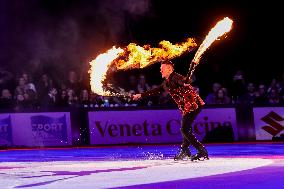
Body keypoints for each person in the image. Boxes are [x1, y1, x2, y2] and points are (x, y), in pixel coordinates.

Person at [132, 60, 208, 161]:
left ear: (169, 69)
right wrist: (141, 95)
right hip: (187, 107)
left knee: (184, 129)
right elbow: (157, 90)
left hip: (194, 105)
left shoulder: (175, 77)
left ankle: (201, 150)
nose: (160, 71)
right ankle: (185, 149)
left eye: (162, 69)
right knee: (186, 129)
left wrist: (185, 82)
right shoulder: (167, 82)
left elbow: (184, 81)